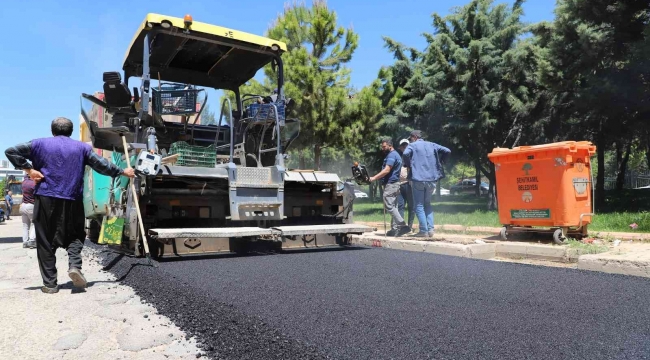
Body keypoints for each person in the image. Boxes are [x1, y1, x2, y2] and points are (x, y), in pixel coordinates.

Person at [5, 117, 135, 294]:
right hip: (72, 198)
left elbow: (11, 151)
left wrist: (29, 170)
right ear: (71, 132)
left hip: (46, 198)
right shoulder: (82, 148)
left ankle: (50, 284)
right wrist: (121, 171)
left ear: (52, 131)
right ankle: (75, 265)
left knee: (45, 239)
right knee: (75, 234)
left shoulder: (38, 144)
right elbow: (101, 165)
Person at [402, 130, 451, 238]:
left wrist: (408, 164)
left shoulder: (413, 146)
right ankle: (431, 229)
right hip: (431, 180)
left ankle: (423, 231)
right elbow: (447, 150)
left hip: (418, 179)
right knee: (427, 204)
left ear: (414, 137)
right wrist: (442, 161)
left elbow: (405, 153)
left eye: (410, 139)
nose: (410, 141)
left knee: (418, 205)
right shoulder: (432, 145)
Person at [369, 138, 410, 237]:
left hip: (391, 184)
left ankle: (403, 226)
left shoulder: (391, 156)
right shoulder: (395, 155)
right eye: (382, 147)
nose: (382, 149)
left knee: (389, 206)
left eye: (384, 147)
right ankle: (395, 229)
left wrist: (374, 178)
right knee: (394, 206)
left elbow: (387, 170)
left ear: (390, 146)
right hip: (395, 184)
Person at [397, 139, 414, 232]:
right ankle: (402, 226)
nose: (405, 147)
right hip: (400, 184)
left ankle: (410, 226)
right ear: (400, 147)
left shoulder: (412, 157)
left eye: (406, 145)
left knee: (411, 206)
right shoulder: (399, 158)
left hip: (409, 183)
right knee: (400, 205)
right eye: (403, 146)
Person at [20, 177, 36, 249]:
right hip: (31, 205)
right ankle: (32, 241)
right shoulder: (33, 183)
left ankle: (25, 242)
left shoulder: (24, 182)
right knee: (34, 223)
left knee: (25, 225)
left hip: (23, 205)